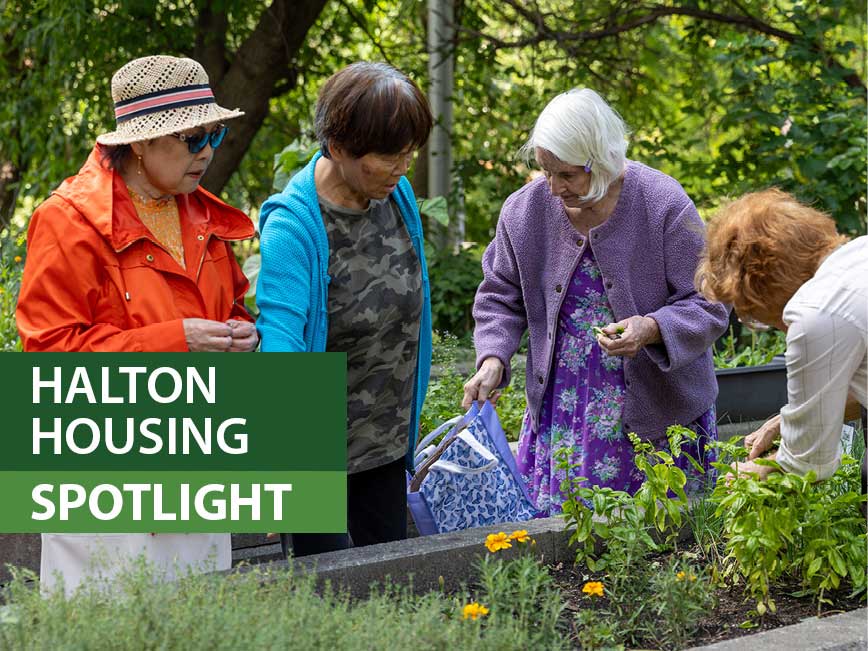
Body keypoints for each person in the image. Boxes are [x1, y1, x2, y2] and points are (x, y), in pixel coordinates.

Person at [16, 55, 257, 593]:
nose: (208, 152)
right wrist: (178, 342)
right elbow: (51, 359)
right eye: (192, 138)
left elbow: (234, 304)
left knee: (201, 619)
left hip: (196, 459)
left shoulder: (203, 215)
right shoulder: (66, 221)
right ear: (141, 143)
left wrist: (243, 333)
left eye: (213, 135)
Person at [463, 89, 730, 514]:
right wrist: (493, 358)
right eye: (545, 171)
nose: (553, 188)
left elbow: (710, 303)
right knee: (564, 547)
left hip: (656, 409)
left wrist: (652, 328)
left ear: (602, 160)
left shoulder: (663, 204)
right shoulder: (524, 212)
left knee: (660, 541)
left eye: (567, 175)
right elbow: (500, 296)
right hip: (563, 410)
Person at [256, 62, 433, 556]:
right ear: (337, 147)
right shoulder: (293, 227)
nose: (403, 167)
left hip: (386, 441)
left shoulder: (396, 196)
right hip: (316, 456)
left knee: (391, 591)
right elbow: (281, 340)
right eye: (388, 155)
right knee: (329, 602)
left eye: (409, 153)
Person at [695, 189, 866, 483]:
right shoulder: (858, 255)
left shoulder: (816, 313)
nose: (750, 318)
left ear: (760, 283)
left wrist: (752, 472)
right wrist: (786, 424)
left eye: (748, 311)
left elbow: (809, 464)